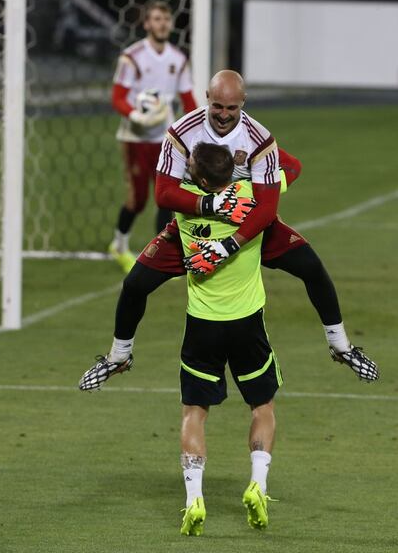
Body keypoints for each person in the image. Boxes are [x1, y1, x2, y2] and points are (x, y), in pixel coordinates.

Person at [78, 70, 379, 392]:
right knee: (135, 284)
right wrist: (215, 203)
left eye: (231, 108)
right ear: (207, 99)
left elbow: (269, 202)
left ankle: (341, 345)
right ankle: (119, 356)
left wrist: (231, 236)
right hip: (192, 229)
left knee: (312, 268)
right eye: (217, 106)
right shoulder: (182, 133)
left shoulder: (259, 138)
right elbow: (163, 194)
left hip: (248, 228)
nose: (223, 114)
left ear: (243, 104)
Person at [177, 142, 281, 536]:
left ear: (200, 178)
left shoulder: (183, 204)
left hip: (202, 322)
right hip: (247, 322)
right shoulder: (252, 198)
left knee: (194, 412)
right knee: (262, 405)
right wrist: (248, 157)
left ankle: (193, 499)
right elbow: (291, 167)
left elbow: (167, 185)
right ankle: (258, 482)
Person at [109, 0, 197, 273]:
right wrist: (136, 115)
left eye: (166, 19)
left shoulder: (178, 60)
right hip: (135, 139)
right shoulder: (132, 57)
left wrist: (194, 134)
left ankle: (161, 257)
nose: (162, 24)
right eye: (156, 19)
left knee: (166, 197)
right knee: (138, 199)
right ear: (146, 24)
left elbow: (188, 100)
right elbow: (118, 97)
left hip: (165, 140)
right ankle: (119, 245)